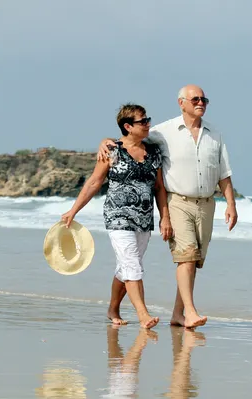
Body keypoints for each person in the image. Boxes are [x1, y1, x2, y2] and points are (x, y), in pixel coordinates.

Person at [97, 85, 238, 329]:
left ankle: (178, 314)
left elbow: (223, 172)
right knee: (184, 257)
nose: (201, 102)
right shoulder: (162, 132)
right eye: (195, 99)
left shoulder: (214, 133)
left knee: (193, 260)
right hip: (177, 201)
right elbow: (128, 137)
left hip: (206, 203)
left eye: (204, 99)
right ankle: (187, 312)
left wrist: (231, 204)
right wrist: (105, 141)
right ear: (181, 103)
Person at [62, 103, 173, 329]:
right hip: (118, 217)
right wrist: (73, 210)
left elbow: (159, 188)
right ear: (128, 126)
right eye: (143, 121)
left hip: (143, 218)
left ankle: (113, 309)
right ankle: (143, 315)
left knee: (127, 267)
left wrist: (165, 217)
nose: (148, 124)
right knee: (132, 265)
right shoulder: (112, 150)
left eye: (147, 119)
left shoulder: (154, 151)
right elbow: (95, 182)